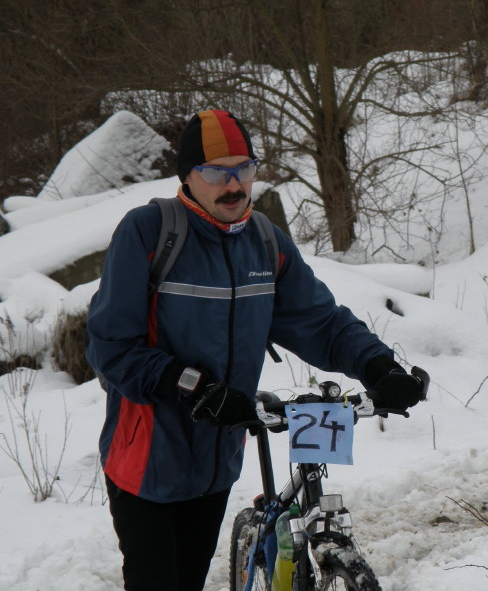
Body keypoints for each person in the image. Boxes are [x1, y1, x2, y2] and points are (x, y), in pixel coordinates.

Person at [85, 109, 425, 591]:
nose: (234, 185)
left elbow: (320, 323)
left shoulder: (265, 243)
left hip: (217, 460)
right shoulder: (149, 232)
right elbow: (111, 346)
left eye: (244, 169)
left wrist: (379, 365)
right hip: (146, 462)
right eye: (216, 172)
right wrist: (193, 386)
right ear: (187, 176)